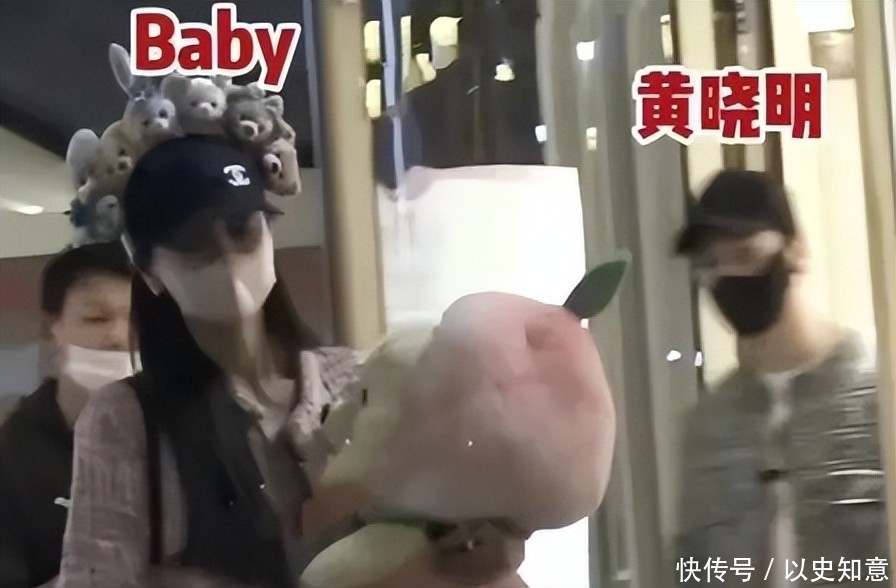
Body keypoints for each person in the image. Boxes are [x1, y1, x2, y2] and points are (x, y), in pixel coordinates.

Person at [57, 136, 359, 588]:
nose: (228, 259)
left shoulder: (354, 379)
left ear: (269, 231)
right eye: (193, 244)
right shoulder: (124, 421)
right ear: (150, 274)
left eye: (242, 230)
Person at [674, 170, 889, 586]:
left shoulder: (879, 397)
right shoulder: (708, 429)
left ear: (796, 249)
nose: (727, 279)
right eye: (710, 265)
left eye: (744, 254)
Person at [0, 242, 134, 588]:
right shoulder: (12, 455)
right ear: (52, 329)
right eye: (96, 318)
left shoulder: (182, 436)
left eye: (137, 321)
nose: (118, 337)